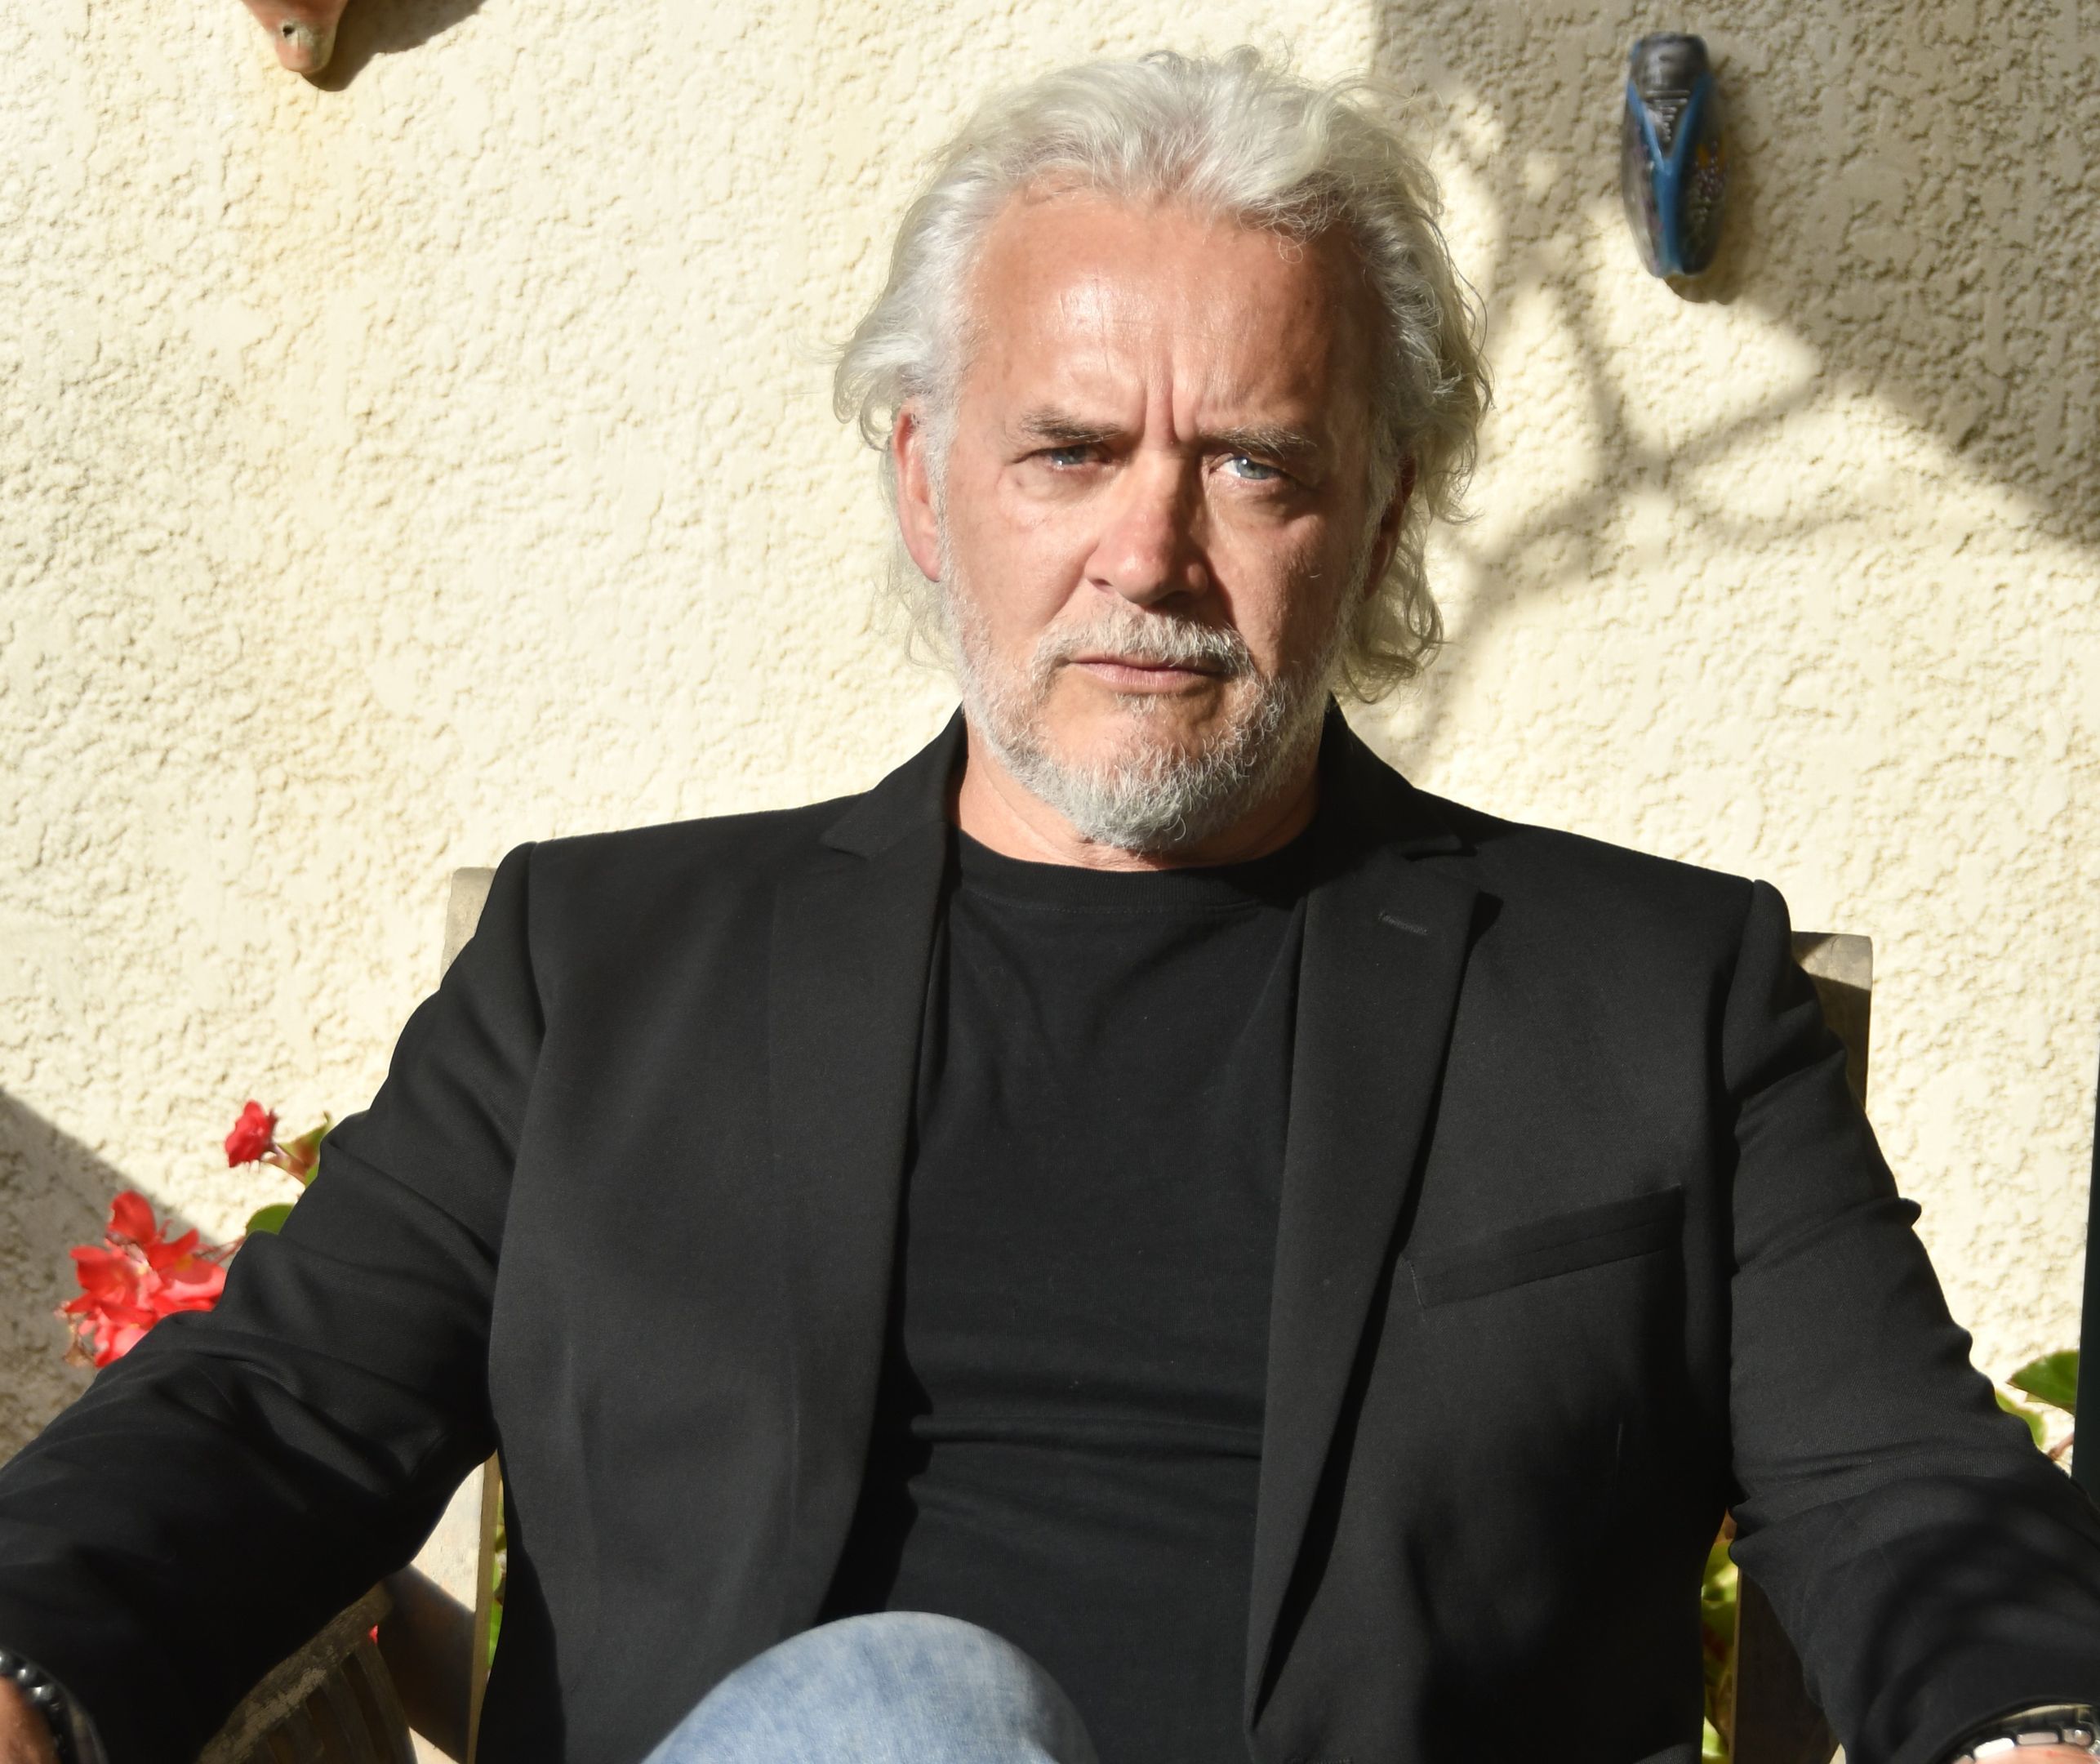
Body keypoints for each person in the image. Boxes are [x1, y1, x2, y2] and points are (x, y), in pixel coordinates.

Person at [2, 46, 2098, 1764]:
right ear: (924, 483)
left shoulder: (1642, 997)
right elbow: (269, 1417)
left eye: (1254, 463)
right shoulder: (603, 975)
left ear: (1381, 514)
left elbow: (1896, 1487)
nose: (1150, 555)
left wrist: (2035, 1728)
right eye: (1069, 452)